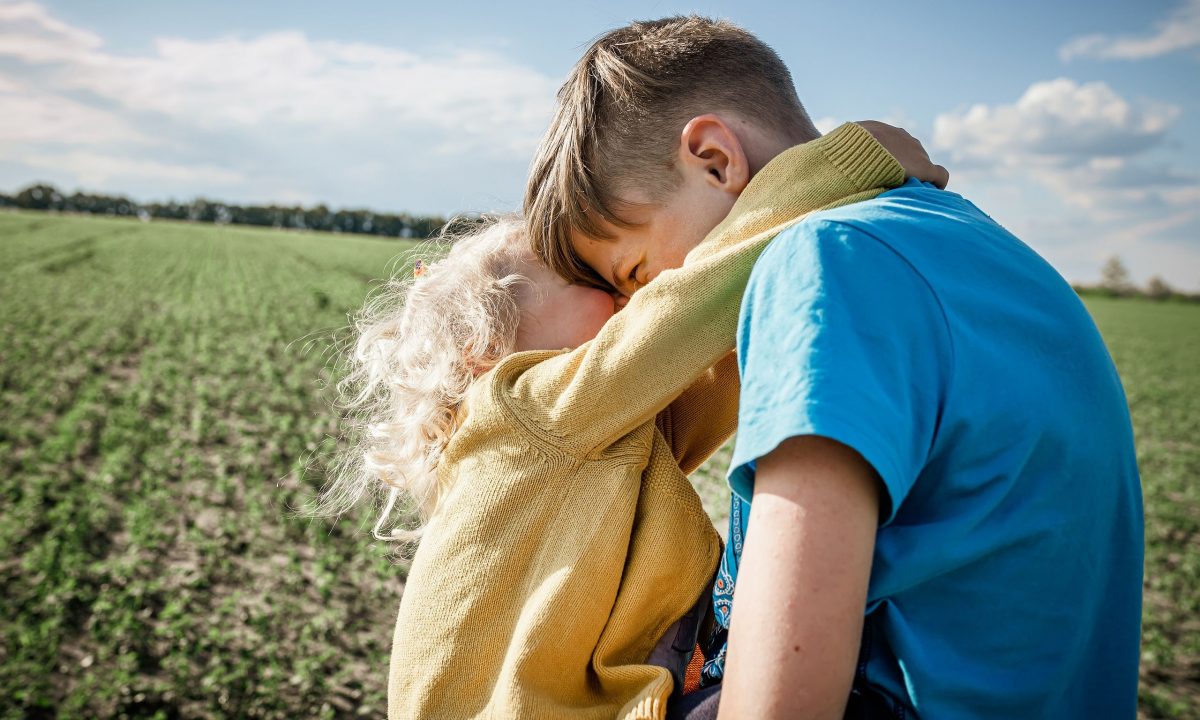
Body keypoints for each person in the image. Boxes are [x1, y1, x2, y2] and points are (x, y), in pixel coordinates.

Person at [523, 15, 1143, 720]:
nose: (645, 311)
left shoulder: (827, 263)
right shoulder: (982, 245)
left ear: (715, 160)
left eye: (636, 273)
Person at [315, 125, 939, 720]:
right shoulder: (519, 412)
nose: (628, 295)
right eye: (584, 279)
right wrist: (843, 166)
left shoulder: (613, 435)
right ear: (488, 349)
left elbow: (721, 363)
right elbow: (690, 308)